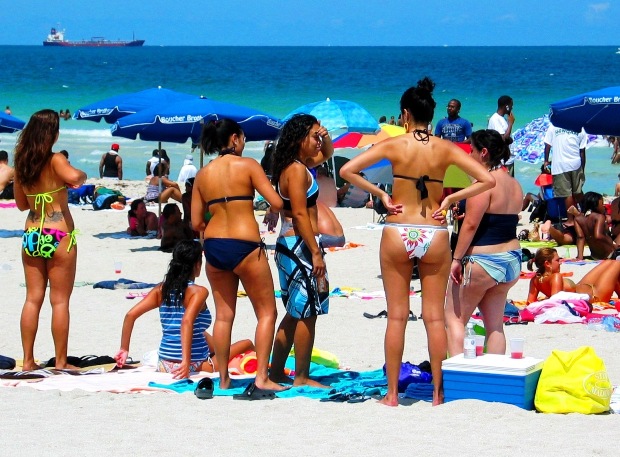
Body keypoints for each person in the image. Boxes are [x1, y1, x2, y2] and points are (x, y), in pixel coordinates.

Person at [340, 78, 495, 406]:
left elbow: (349, 171)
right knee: (434, 317)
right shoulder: (445, 147)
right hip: (434, 231)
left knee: (397, 316)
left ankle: (393, 395)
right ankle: (439, 394)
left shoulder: (396, 145)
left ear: (405, 114)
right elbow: (487, 179)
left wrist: (381, 193)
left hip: (399, 229)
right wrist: (453, 201)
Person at [191, 118, 285, 393]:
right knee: (267, 312)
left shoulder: (203, 174)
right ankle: (261, 378)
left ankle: (223, 378)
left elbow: (196, 221)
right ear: (234, 139)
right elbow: (277, 202)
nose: (244, 144)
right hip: (246, 245)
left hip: (215, 246)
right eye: (242, 139)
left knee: (224, 315)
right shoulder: (248, 166)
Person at [13, 109, 87, 370]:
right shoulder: (55, 159)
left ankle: (28, 361)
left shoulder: (22, 161)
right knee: (60, 300)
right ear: (52, 133)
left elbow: (21, 204)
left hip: (32, 233)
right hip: (58, 233)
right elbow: (74, 177)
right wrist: (82, 176)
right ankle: (61, 362)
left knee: (33, 298)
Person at [114, 240, 255, 378]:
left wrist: (124, 349)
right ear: (197, 265)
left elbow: (130, 315)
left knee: (203, 334)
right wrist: (186, 362)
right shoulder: (198, 292)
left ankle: (208, 354)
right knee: (247, 343)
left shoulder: (161, 289)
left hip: (163, 363)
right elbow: (186, 322)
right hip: (195, 364)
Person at [269, 113, 335, 389]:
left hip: (292, 245)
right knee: (308, 312)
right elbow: (298, 213)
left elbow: (328, 155)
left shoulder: (296, 165)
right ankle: (302, 377)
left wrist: (325, 137)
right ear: (299, 139)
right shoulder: (296, 170)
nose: (318, 142)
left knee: (294, 313)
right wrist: (316, 253)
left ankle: (275, 372)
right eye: (313, 137)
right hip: (299, 245)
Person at [445, 129, 523, 361]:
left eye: (472, 150)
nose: (469, 156)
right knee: (495, 325)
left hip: (483, 259)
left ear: (484, 152)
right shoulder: (514, 184)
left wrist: (456, 259)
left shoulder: (484, 183)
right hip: (512, 258)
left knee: (455, 320)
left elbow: (470, 226)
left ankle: (458, 379)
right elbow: (499, 219)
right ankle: (497, 373)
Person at [526, 248, 620, 304]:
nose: (560, 263)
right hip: (596, 295)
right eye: (557, 260)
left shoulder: (535, 280)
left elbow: (530, 302)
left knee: (609, 262)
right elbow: (556, 301)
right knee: (616, 264)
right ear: (547, 264)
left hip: (583, 286)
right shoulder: (556, 277)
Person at [542, 122, 587, 217]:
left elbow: (547, 145)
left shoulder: (554, 126)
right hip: (576, 163)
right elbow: (582, 151)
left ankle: (571, 219)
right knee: (578, 192)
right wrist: (583, 168)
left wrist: (546, 161)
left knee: (567, 194)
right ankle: (584, 212)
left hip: (560, 164)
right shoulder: (580, 127)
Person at [572, 191, 618, 260]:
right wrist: (612, 244)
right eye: (602, 204)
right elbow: (598, 236)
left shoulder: (578, 219)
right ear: (595, 204)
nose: (604, 206)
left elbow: (580, 237)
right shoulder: (599, 217)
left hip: (595, 256)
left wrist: (580, 257)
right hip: (608, 254)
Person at [487, 95, 515, 176]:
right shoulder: (496, 119)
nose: (512, 108)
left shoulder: (501, 118)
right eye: (511, 105)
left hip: (507, 160)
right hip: (503, 161)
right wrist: (510, 124)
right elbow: (502, 139)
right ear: (506, 106)